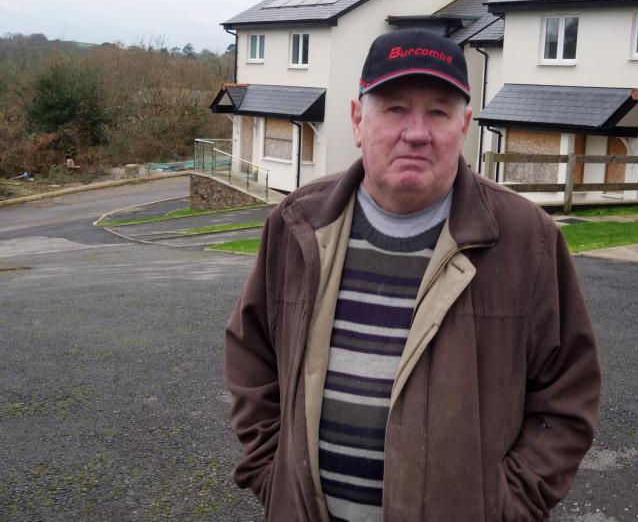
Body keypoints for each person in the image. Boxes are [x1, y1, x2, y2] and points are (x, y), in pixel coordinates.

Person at [224, 28, 602, 521]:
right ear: (359, 120)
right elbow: (251, 356)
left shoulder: (527, 241)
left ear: (464, 127)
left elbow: (567, 396)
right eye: (396, 108)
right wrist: (273, 471)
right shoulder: (297, 224)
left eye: (439, 111)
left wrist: (507, 504)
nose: (417, 131)